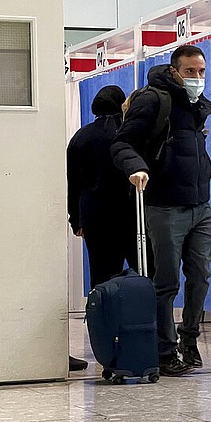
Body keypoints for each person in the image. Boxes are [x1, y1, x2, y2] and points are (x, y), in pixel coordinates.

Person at [111, 45, 211, 377]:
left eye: (201, 71)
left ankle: (189, 340)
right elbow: (121, 143)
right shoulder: (154, 99)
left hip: (200, 206)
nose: (197, 78)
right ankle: (164, 347)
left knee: (200, 276)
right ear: (174, 71)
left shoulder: (196, 106)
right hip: (164, 206)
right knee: (167, 281)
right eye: (190, 72)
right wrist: (135, 168)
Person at [67, 85, 137, 372]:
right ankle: (138, 340)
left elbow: (73, 185)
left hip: (95, 218)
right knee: (141, 278)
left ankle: (105, 346)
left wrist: (76, 220)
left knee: (102, 283)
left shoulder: (79, 137)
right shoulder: (127, 136)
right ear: (122, 105)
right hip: (130, 217)